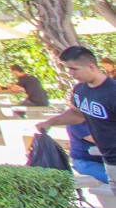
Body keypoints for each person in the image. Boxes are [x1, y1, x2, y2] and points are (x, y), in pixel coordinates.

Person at [37, 45, 116, 183]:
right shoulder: (80, 90)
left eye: (74, 69)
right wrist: (50, 123)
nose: (71, 73)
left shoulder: (112, 91)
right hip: (109, 159)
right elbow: (77, 114)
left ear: (92, 67)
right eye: (68, 69)